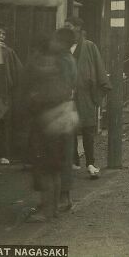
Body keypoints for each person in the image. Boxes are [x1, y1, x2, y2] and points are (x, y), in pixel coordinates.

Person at [24, 31, 77, 221]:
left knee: (47, 166)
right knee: (53, 166)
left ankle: (47, 209)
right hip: (61, 117)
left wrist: (35, 97)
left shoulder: (58, 63)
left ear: (61, 43)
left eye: (56, 39)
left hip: (51, 119)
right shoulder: (63, 60)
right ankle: (52, 207)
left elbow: (54, 91)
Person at [64, 16, 109, 179]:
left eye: (68, 26)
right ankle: (74, 160)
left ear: (77, 28)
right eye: (65, 26)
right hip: (66, 96)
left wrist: (98, 93)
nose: (66, 29)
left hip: (85, 95)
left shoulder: (90, 46)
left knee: (88, 129)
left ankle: (90, 162)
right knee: (69, 129)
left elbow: (99, 69)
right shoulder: (63, 47)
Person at [0, 28, 23, 166]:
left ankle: (4, 154)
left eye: (2, 33)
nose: (0, 35)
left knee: (4, 123)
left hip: (4, 92)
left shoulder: (9, 52)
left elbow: (18, 72)